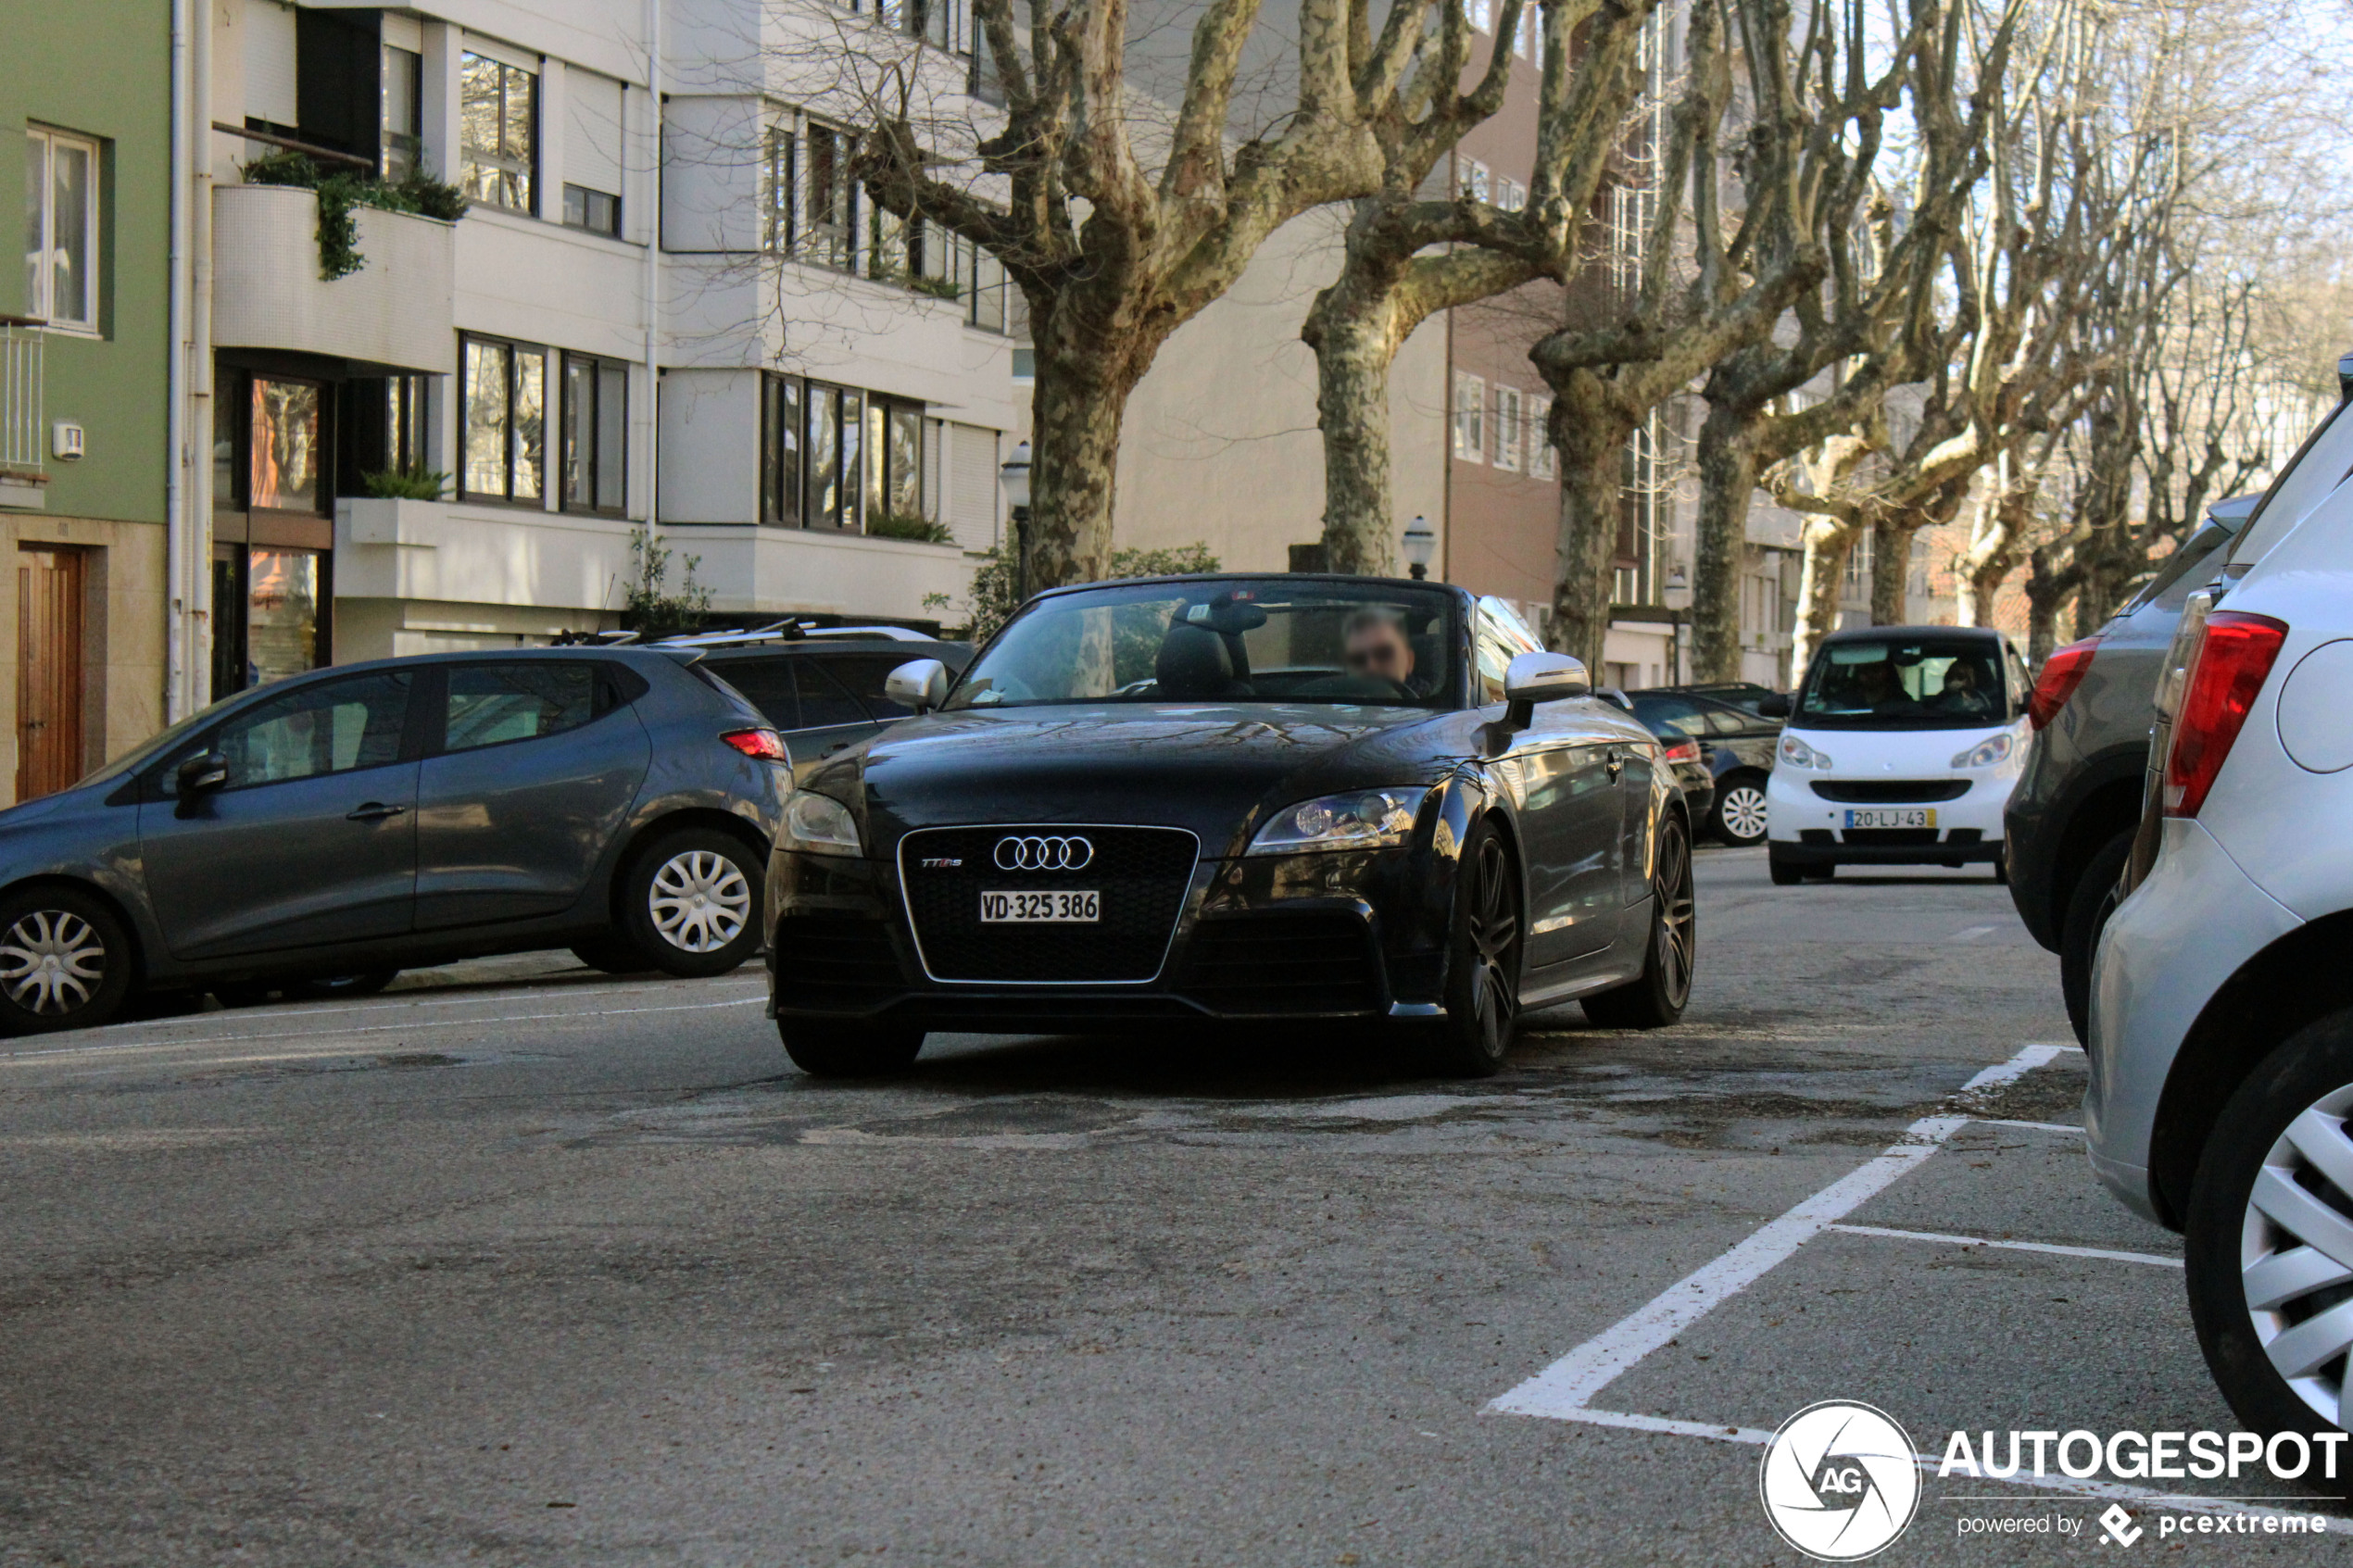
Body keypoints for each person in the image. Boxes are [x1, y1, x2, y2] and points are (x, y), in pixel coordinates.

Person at [1341, 608, 1422, 693]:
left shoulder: (1429, 703)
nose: (1371, 667)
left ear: (1409, 661)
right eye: (1358, 659)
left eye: (1384, 654)